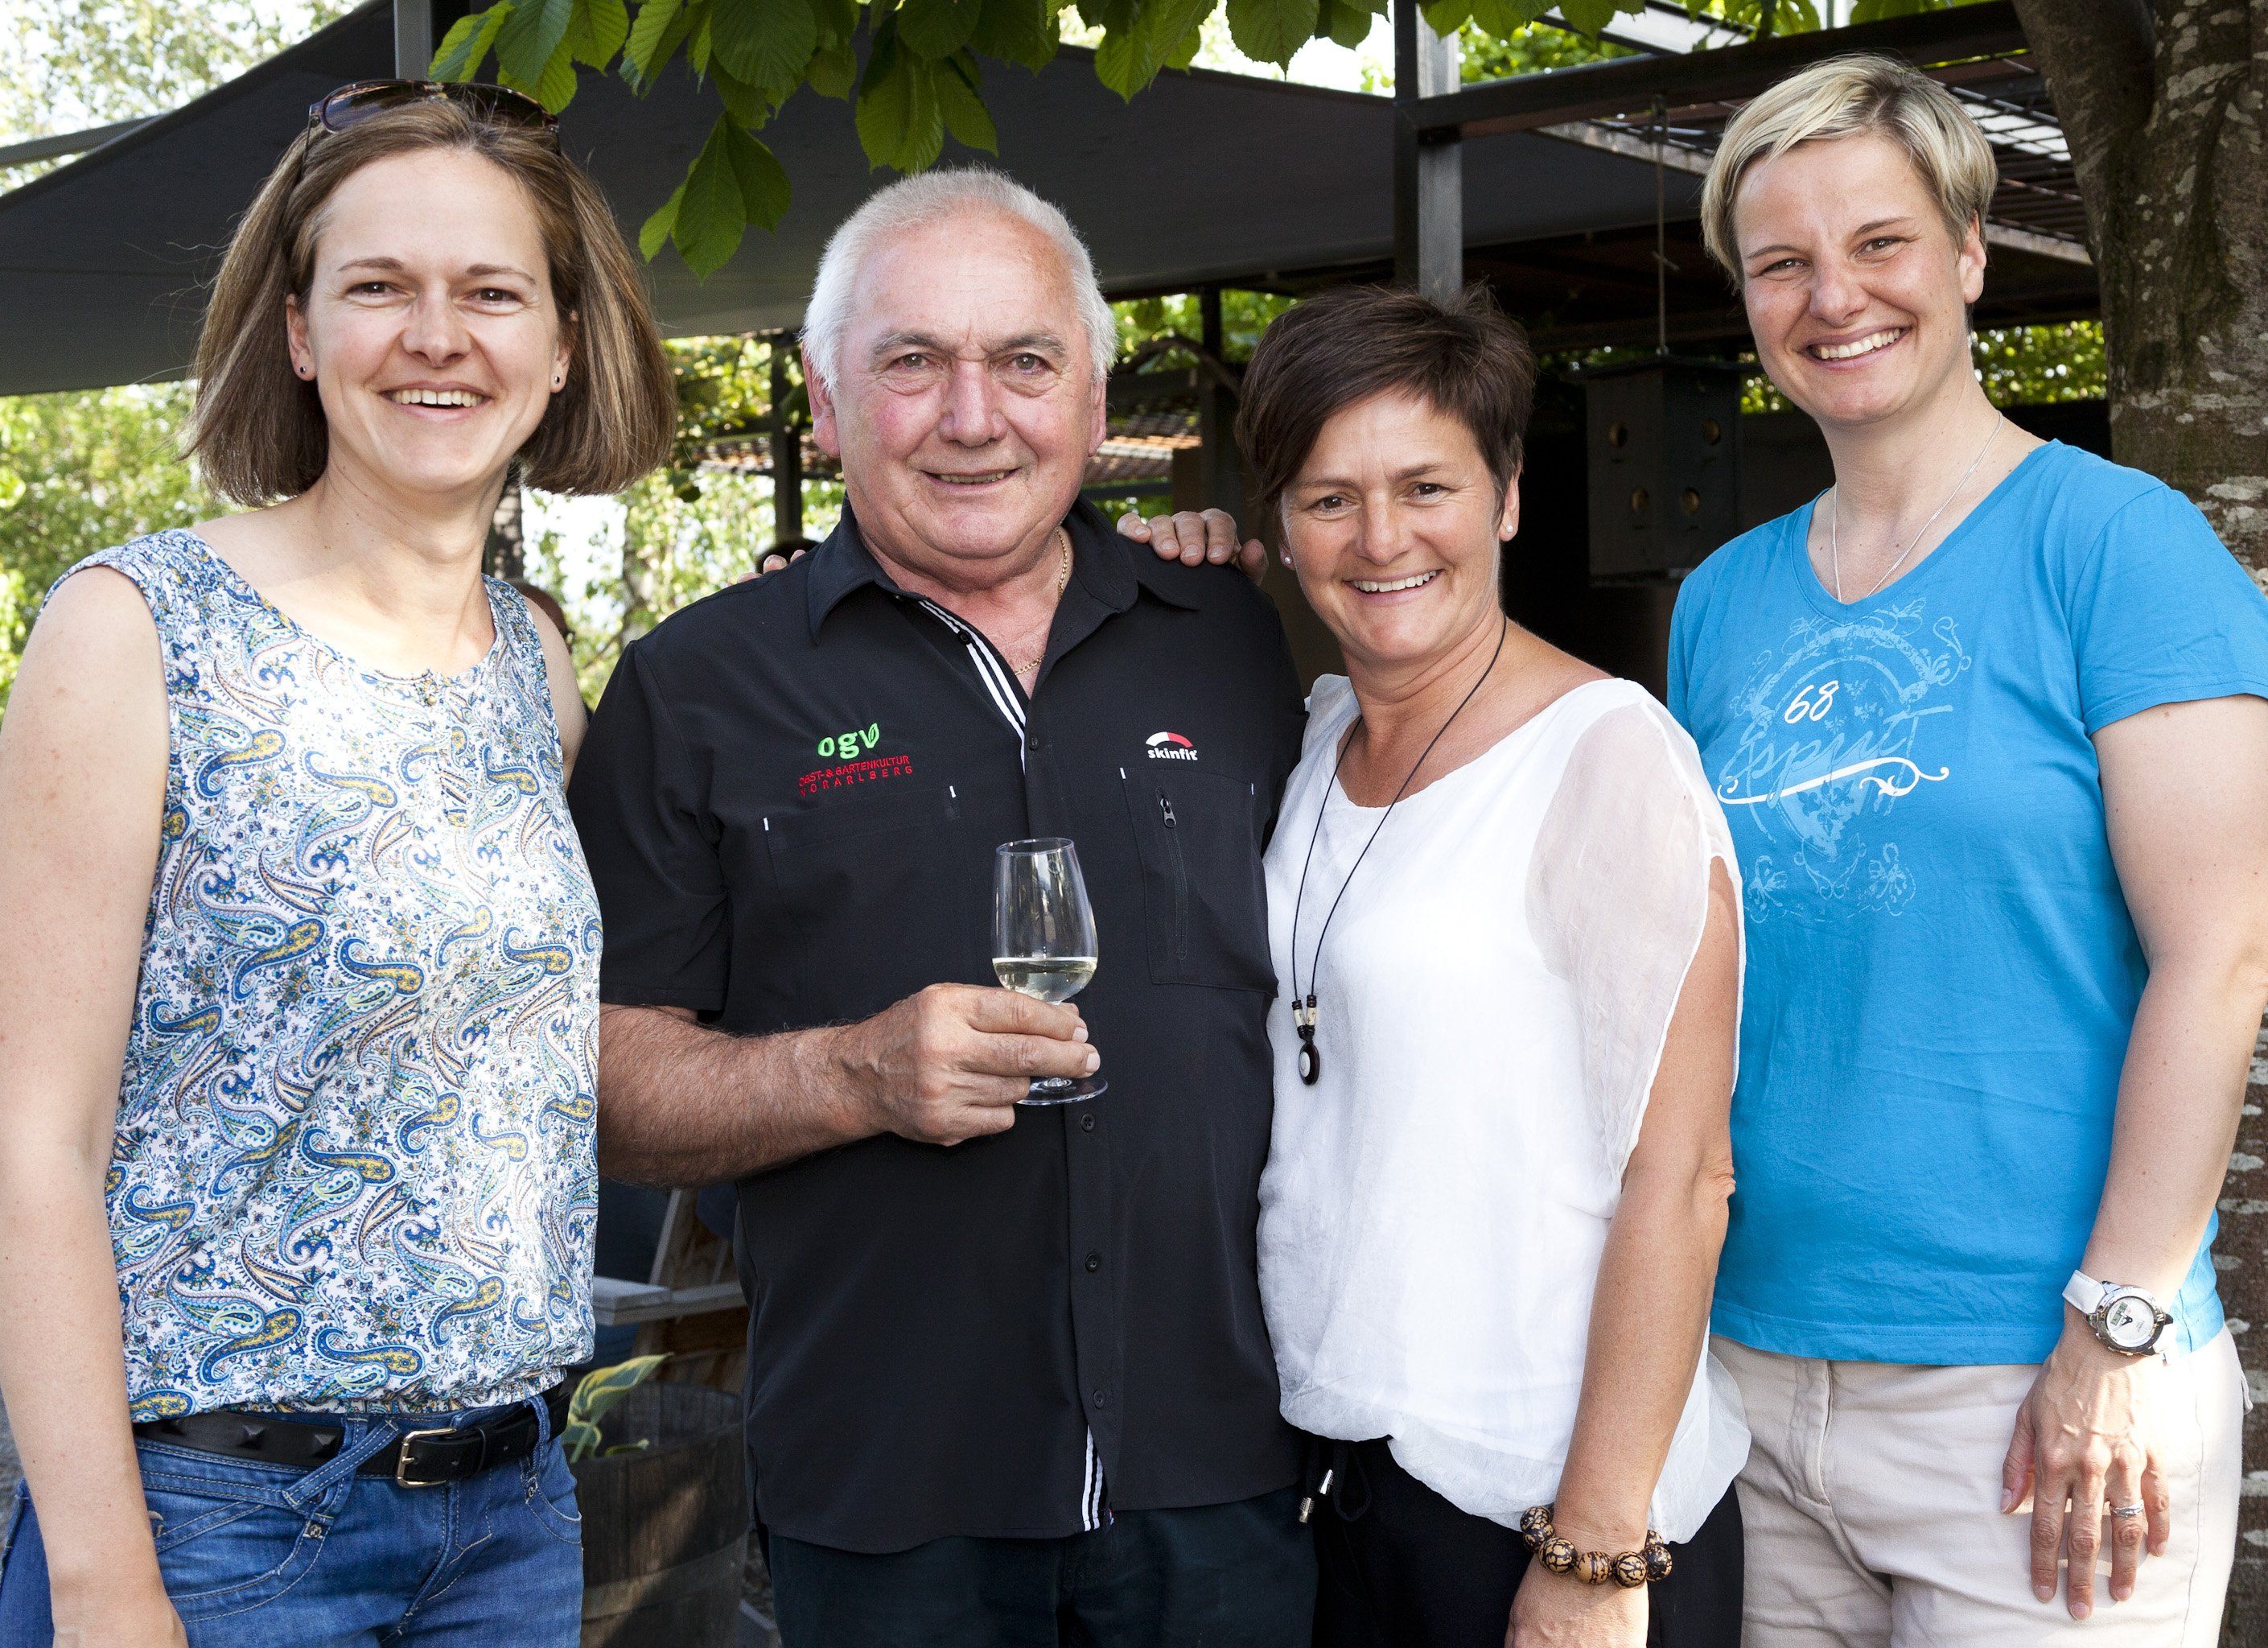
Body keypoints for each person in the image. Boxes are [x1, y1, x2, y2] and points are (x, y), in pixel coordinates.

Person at [566, 167, 1316, 1648]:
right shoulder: (694, 688)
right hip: (887, 1492)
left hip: (1229, 1470)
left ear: (1093, 400)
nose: (974, 417)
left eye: (1025, 362)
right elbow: (597, 1089)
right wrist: (849, 1076)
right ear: (826, 399)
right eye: (912, 361)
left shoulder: (1232, 632)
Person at [0, 81, 672, 1647]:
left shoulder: (534, 665)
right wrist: (104, 1582)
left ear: (564, 344)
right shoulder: (135, 630)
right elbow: (33, 1143)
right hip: (220, 1526)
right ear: (299, 331)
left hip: (511, 1517)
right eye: (379, 286)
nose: (437, 336)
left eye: (491, 292)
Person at [1668, 56, 2268, 1645]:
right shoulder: (1721, 602)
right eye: (1783, 262)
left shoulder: (2122, 549)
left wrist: (2117, 1332)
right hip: (1752, 1368)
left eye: (1879, 242)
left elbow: (2222, 957)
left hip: (2039, 1385)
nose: (1834, 297)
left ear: (1966, 252)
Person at [1121, 287, 1747, 1648]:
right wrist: (1153, 569)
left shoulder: (1606, 755)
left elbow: (1685, 1177)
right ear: (1281, 526)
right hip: (1339, 1481)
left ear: (1507, 497)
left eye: (1426, 487)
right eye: (1329, 498)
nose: (1381, 537)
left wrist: (1596, 1550)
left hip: (1540, 1500)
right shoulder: (1314, 739)